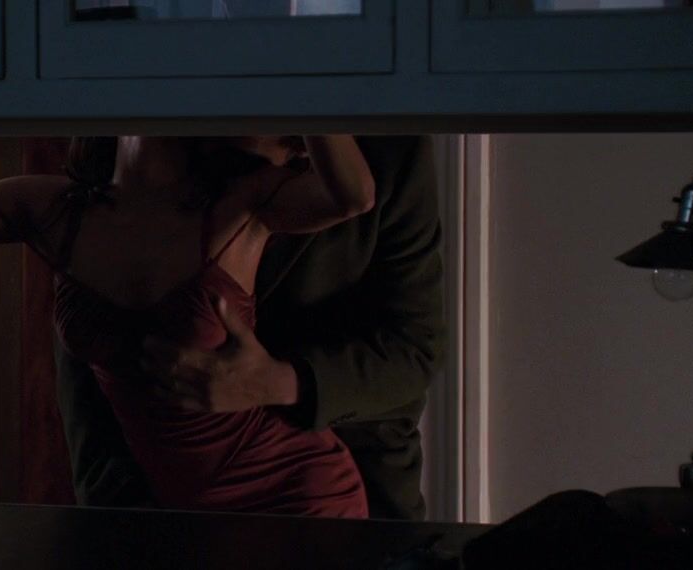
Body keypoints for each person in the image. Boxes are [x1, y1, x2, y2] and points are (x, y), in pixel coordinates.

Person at [0, 135, 379, 518]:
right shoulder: (56, 209)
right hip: (183, 514)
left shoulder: (239, 204)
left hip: (292, 492)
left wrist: (306, 68)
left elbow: (353, 196)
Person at [55, 135, 444, 521]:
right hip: (158, 498)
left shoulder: (391, 149)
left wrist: (277, 382)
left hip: (343, 491)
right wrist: (116, 516)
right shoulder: (146, 147)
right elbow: (89, 351)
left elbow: (413, 350)